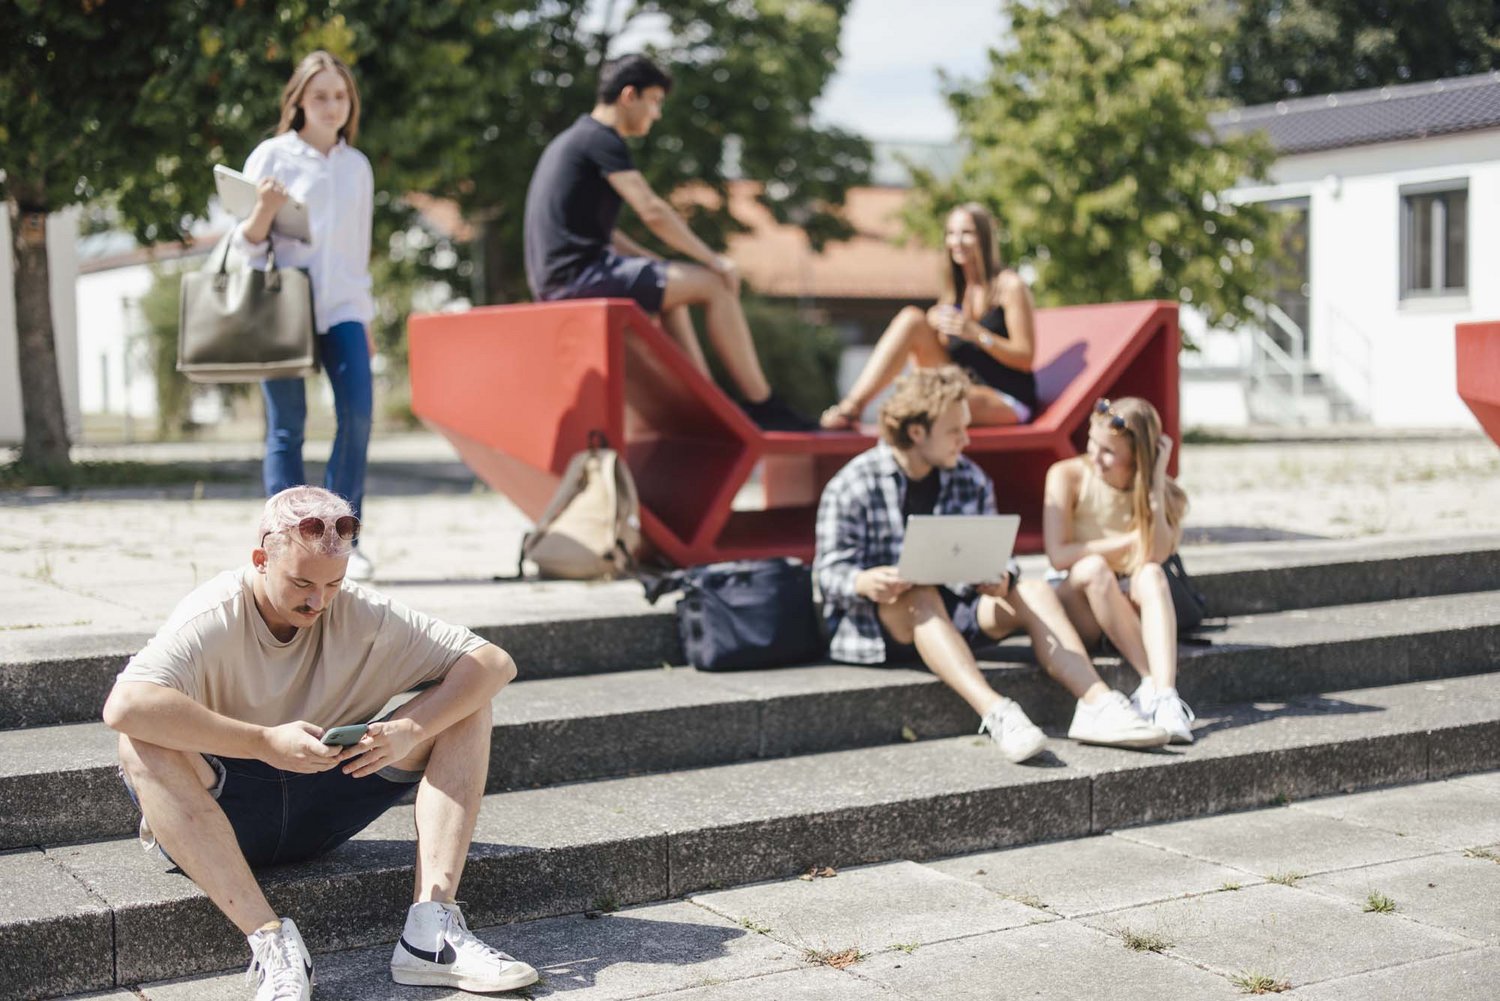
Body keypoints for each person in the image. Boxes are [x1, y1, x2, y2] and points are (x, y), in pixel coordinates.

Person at [101, 487, 538, 1000]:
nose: (318, 601)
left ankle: (431, 933)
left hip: (327, 793)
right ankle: (272, 945)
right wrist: (262, 741)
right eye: (302, 582)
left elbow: (492, 662)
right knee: (139, 742)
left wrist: (409, 729)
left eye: (333, 582)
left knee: (467, 704)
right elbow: (124, 706)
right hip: (224, 812)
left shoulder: (357, 609)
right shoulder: (212, 614)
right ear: (261, 559)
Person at [814, 367, 1168, 763]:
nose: (966, 441)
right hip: (883, 623)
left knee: (1032, 589)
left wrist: (1001, 576)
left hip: (962, 607)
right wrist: (863, 581)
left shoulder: (971, 478)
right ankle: (998, 713)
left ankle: (1097, 703)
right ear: (917, 432)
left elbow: (1000, 556)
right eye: (955, 432)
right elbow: (826, 573)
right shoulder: (852, 484)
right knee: (921, 594)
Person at [523, 53, 816, 432]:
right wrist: (713, 260)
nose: (657, 114)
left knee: (674, 290)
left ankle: (706, 401)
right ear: (630, 95)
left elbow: (607, 235)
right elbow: (652, 210)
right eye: (655, 102)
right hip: (576, 280)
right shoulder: (601, 139)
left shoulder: (573, 140)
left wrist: (658, 261)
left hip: (564, 278)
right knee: (714, 285)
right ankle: (764, 404)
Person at [235, 50, 378, 581]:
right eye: (320, 95)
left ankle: (341, 539)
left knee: (358, 416)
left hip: (343, 310)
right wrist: (263, 211)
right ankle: (284, 544)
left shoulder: (357, 167)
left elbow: (358, 252)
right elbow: (243, 246)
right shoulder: (271, 156)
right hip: (284, 310)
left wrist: (366, 320)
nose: (331, 105)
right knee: (286, 429)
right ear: (298, 101)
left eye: (340, 96)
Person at [1043, 396, 1196, 744]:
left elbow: (1155, 554)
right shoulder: (1067, 475)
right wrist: (1128, 541)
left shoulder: (1161, 493)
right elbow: (1058, 555)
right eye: (1092, 443)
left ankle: (1164, 696)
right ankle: (1151, 680)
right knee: (1095, 567)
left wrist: (1155, 485)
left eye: (1109, 453)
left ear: (1138, 458)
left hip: (1125, 600)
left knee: (1153, 575)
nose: (1095, 456)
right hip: (1077, 598)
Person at [821, 203, 1038, 430]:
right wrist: (937, 327)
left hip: (1004, 397)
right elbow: (950, 352)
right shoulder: (955, 290)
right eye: (951, 234)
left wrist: (975, 332)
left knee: (937, 401)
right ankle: (851, 408)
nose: (957, 241)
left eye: (966, 233)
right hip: (960, 384)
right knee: (912, 319)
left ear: (984, 238)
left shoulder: (1010, 286)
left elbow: (1025, 358)